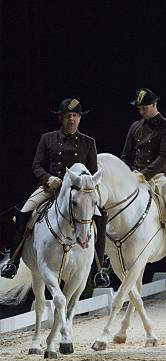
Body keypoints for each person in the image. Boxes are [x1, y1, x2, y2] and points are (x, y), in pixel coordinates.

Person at [1, 98, 106, 286]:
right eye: (67, 116)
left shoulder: (88, 143)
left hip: (76, 194)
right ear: (61, 119)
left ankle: (99, 269)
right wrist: (48, 179)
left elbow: (91, 172)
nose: (71, 119)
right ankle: (13, 261)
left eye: (74, 116)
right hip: (50, 189)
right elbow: (37, 165)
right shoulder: (47, 138)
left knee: (100, 216)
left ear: (80, 118)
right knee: (24, 211)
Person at [120, 88, 166, 284]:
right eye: (139, 108)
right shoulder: (135, 127)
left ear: (154, 105)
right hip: (134, 177)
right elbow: (125, 156)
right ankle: (107, 258)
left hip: (158, 177)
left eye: (144, 108)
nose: (141, 112)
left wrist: (144, 174)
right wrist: (130, 173)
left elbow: (164, 158)